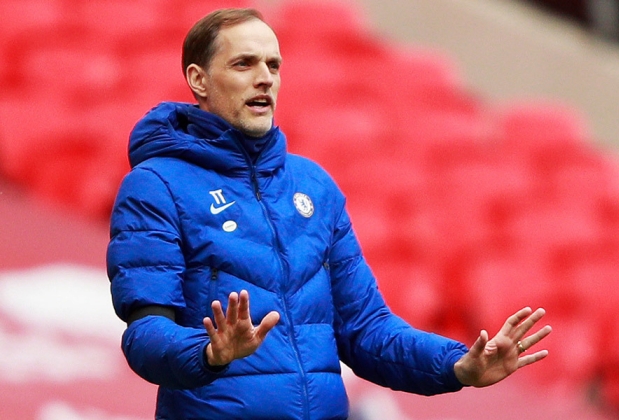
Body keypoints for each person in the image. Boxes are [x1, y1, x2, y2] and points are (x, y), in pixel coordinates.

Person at [107, 8, 552, 419]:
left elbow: (366, 330)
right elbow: (145, 336)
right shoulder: (156, 185)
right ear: (199, 79)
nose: (264, 78)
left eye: (273, 65)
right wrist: (210, 352)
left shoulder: (313, 186)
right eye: (244, 64)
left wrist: (456, 365)